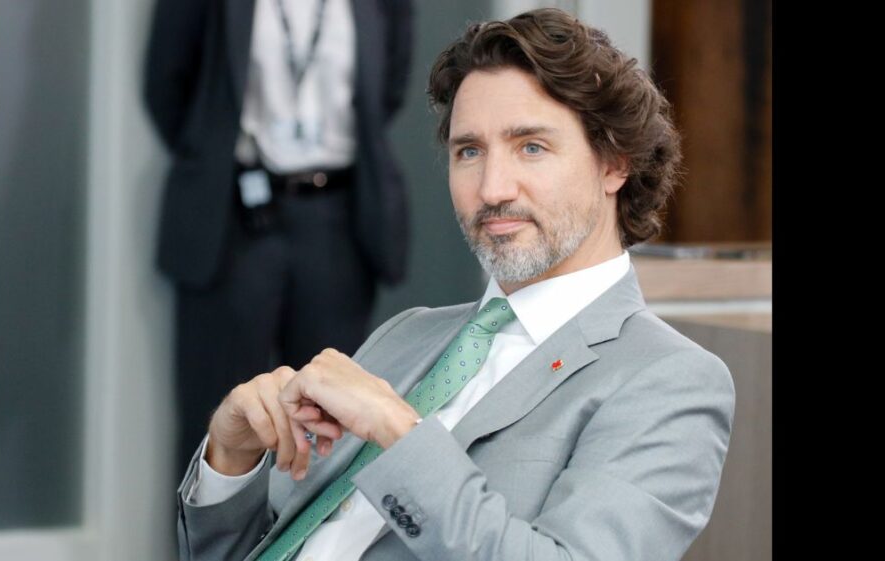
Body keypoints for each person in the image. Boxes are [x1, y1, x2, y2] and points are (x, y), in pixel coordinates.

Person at [175, 8, 735, 561]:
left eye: (530, 147)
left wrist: (400, 433)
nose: (492, 188)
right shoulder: (407, 335)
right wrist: (231, 464)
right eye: (469, 151)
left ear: (615, 163)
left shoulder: (671, 380)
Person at [142, 0, 415, 481]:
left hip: (337, 217)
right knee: (220, 419)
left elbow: (387, 89)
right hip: (236, 216)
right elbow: (168, 85)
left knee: (332, 425)